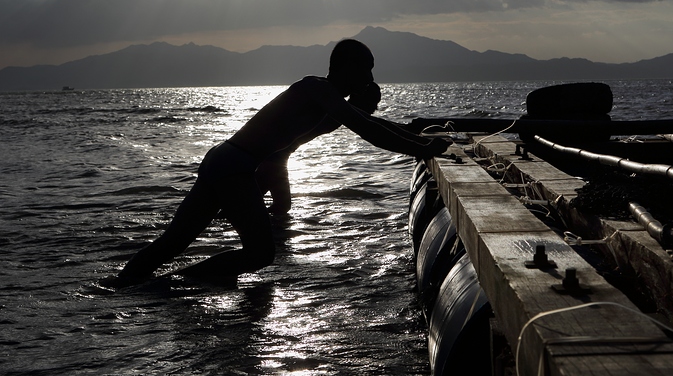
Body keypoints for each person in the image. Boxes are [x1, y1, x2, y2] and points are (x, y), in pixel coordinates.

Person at [104, 39, 449, 287]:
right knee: (259, 254)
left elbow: (376, 124)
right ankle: (175, 283)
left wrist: (424, 142)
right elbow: (368, 129)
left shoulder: (329, 101)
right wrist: (425, 150)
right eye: (366, 68)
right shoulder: (316, 87)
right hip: (236, 164)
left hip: (224, 159)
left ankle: (120, 288)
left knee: (173, 242)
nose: (371, 75)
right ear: (346, 67)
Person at [256, 81, 382, 215]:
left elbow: (374, 124)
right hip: (274, 156)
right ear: (363, 100)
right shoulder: (337, 112)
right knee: (280, 206)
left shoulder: (339, 110)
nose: (375, 108)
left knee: (253, 198)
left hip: (273, 155)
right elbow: (372, 127)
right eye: (373, 103)